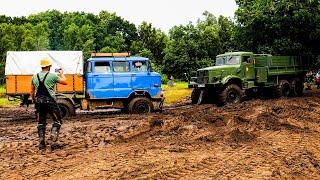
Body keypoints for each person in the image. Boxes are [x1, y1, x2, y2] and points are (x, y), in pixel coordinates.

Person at [30, 58, 67, 150]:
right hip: (50, 102)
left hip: (38, 102)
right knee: (57, 120)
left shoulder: (34, 77)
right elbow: (65, 82)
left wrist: (34, 100)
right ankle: (53, 136)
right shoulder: (52, 76)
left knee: (41, 122)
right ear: (49, 66)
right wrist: (62, 73)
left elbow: (31, 91)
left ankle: (42, 142)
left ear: (42, 67)